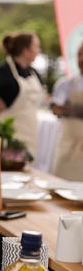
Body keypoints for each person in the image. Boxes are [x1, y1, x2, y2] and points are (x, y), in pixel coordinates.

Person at [0, 31, 44, 158]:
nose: (39, 50)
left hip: (30, 131)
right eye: (36, 46)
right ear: (25, 50)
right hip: (10, 133)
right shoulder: (5, 71)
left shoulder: (33, 72)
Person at [50, 44, 83, 180]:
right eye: (79, 55)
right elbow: (56, 109)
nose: (81, 59)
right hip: (67, 146)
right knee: (59, 184)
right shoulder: (65, 84)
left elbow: (63, 109)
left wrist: (70, 109)